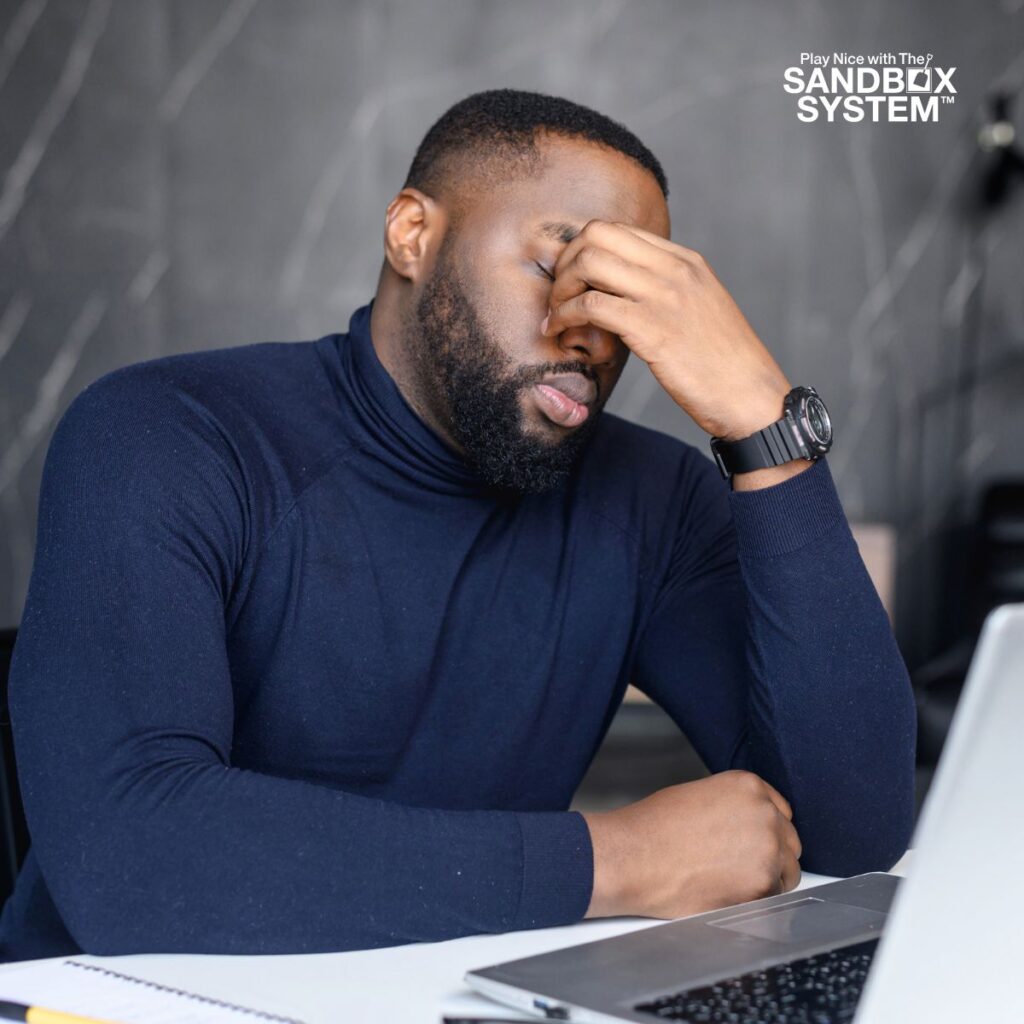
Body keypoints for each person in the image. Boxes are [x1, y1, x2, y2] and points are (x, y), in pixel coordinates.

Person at [0, 89, 915, 961]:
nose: (593, 333)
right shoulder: (165, 434)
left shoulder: (653, 500)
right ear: (413, 233)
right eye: (562, 267)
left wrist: (767, 427)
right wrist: (615, 860)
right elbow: (130, 857)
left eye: (628, 298)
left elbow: (846, 833)